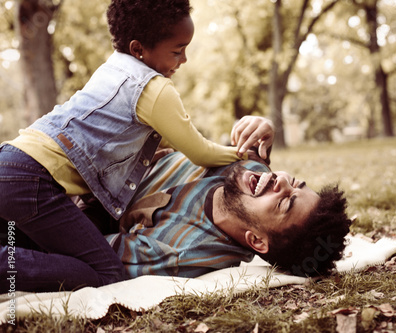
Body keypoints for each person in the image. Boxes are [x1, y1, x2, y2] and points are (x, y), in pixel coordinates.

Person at [0, 0, 272, 293]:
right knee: (107, 274)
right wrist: (247, 154)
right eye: (177, 51)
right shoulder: (156, 90)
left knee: (37, 243)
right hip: (32, 180)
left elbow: (172, 145)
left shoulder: (113, 68)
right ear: (138, 48)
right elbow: (200, 152)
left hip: (11, 162)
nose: (184, 60)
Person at [106, 148, 352, 278]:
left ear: (256, 240)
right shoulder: (250, 169)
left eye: (285, 203)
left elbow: (92, 248)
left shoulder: (179, 252)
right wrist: (259, 126)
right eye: (295, 182)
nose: (281, 181)